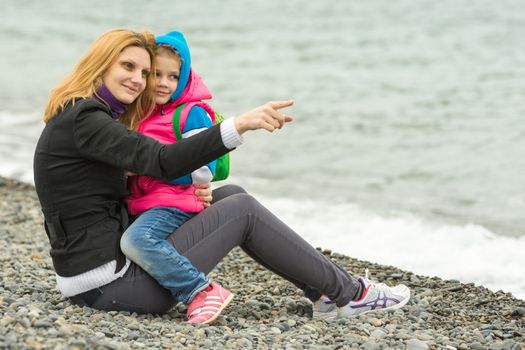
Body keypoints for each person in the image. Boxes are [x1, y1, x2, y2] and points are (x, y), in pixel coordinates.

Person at [33, 28, 411, 323]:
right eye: (128, 67)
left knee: (230, 194)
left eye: (144, 72)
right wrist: (237, 126)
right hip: (112, 287)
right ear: (101, 64)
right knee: (242, 210)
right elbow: (165, 160)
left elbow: (120, 182)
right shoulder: (87, 119)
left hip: (100, 276)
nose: (139, 79)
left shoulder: (82, 119)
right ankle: (350, 295)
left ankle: (325, 292)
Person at [121, 31, 235, 324]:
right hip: (147, 203)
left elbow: (202, 171)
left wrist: (146, 165)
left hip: (175, 203)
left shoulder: (192, 114)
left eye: (173, 77)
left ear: (184, 78)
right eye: (156, 74)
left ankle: (200, 289)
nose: (163, 83)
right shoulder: (142, 113)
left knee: (135, 240)